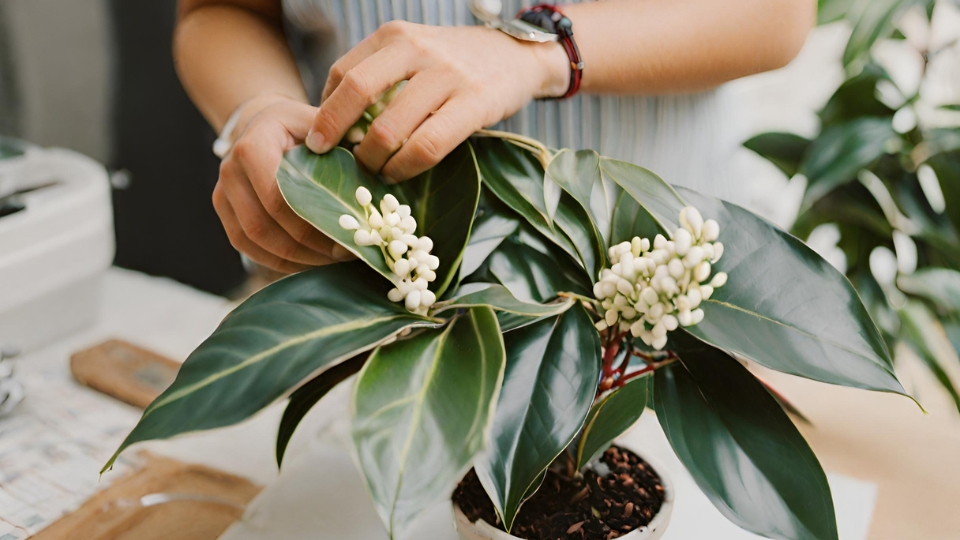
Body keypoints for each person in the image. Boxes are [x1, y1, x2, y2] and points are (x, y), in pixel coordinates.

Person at [175, 0, 814, 274]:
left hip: (654, 291)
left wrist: (535, 52)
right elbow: (220, 10)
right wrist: (257, 108)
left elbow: (777, 12)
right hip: (371, 300)